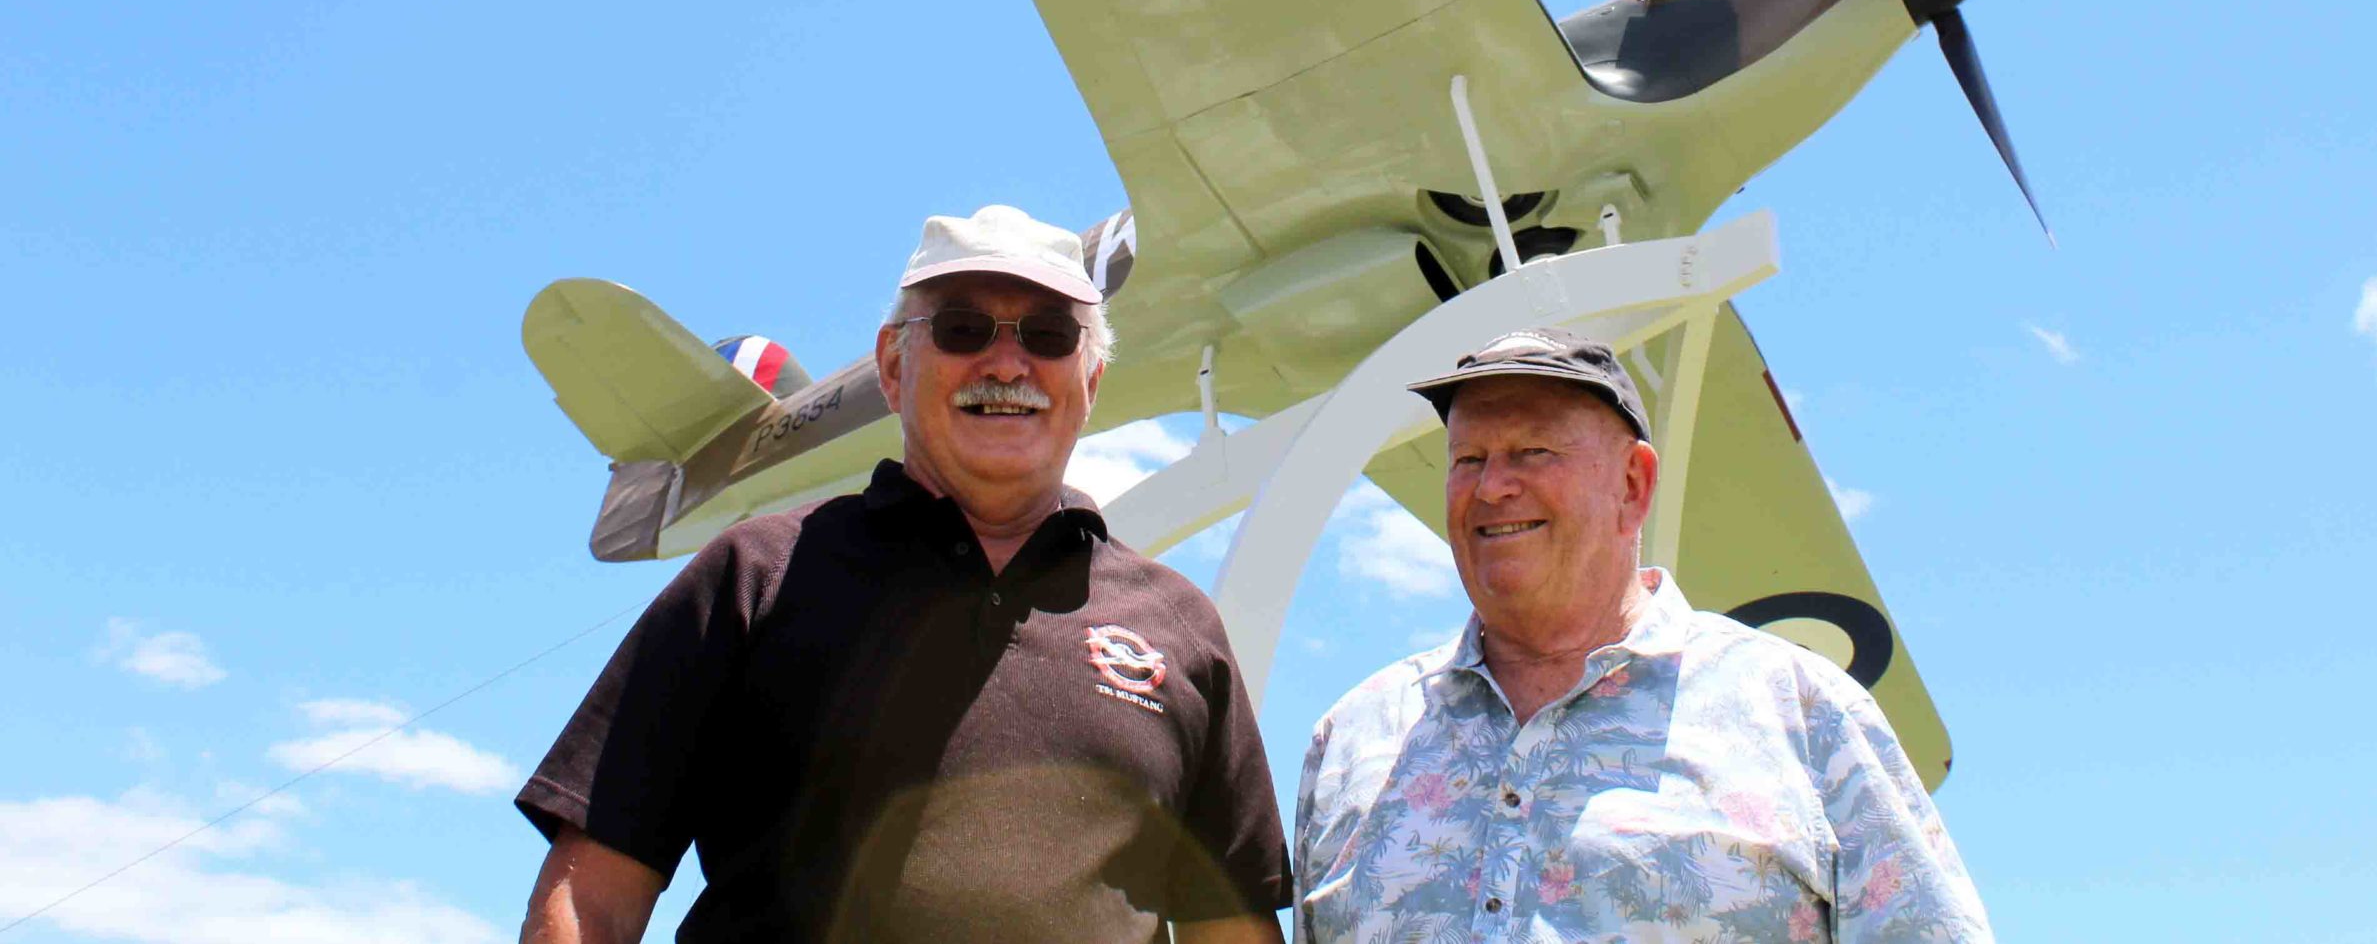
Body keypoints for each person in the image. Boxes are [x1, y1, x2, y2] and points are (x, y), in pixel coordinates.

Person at [515, 205, 1292, 944]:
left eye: (1052, 334)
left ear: (1088, 385)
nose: (1007, 360)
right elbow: (593, 894)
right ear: (893, 364)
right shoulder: (757, 572)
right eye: (962, 328)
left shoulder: (1183, 628)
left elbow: (1233, 928)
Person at [1294, 329, 1994, 943]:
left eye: (1531, 451)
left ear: (1633, 483)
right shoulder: (1353, 740)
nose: (1492, 486)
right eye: (1467, 458)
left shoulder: (1801, 712)